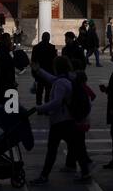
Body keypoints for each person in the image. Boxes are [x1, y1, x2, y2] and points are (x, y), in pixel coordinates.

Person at [29, 56, 92, 184]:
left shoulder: (61, 83)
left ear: (56, 67)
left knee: (53, 149)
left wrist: (39, 108)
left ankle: (44, 176)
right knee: (74, 146)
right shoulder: (67, 78)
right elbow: (52, 79)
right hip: (67, 120)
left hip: (60, 121)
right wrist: (39, 70)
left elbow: (56, 102)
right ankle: (84, 172)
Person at [31, 32, 56, 104]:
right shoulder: (52, 47)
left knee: (39, 91)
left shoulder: (36, 47)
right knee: (48, 91)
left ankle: (39, 107)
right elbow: (54, 61)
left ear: (42, 38)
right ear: (49, 38)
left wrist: (34, 72)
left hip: (39, 72)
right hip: (49, 72)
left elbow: (33, 61)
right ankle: (46, 107)